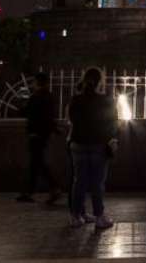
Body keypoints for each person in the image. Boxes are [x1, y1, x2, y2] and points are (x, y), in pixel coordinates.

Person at [66, 68, 118, 229]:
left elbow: (72, 120)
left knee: (79, 181)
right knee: (97, 183)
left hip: (78, 144)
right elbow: (113, 123)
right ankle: (99, 216)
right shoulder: (106, 100)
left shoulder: (75, 99)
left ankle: (76, 216)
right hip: (98, 144)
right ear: (100, 82)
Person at [17, 72, 62, 204]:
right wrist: (53, 128)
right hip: (44, 133)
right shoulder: (49, 96)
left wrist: (22, 101)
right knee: (36, 163)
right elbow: (50, 116)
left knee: (38, 162)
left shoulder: (35, 97)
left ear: (37, 82)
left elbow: (25, 112)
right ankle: (30, 191)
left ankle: (53, 188)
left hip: (35, 133)